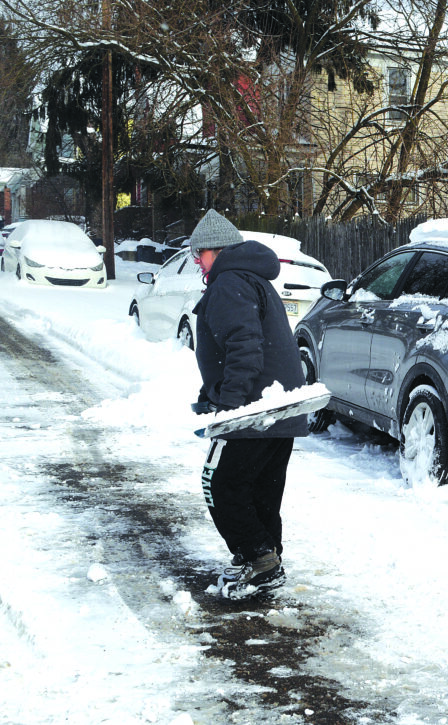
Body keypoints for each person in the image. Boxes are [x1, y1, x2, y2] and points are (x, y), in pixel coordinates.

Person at [189, 209, 308, 599]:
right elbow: (248, 346)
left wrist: (229, 406)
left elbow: (244, 347)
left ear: (216, 250)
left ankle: (259, 558)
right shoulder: (251, 278)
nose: (197, 261)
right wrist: (213, 393)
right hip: (279, 407)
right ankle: (264, 560)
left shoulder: (229, 282)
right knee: (261, 490)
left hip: (253, 411)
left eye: (200, 253)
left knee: (220, 485)